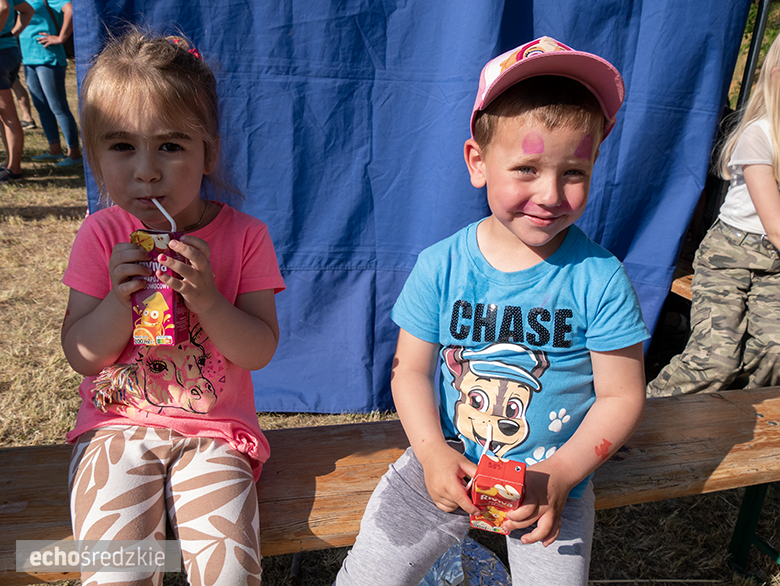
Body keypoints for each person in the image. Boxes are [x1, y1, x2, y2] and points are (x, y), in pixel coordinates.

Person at [334, 37, 648, 586]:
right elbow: (409, 369)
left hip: (551, 478)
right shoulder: (440, 266)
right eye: (526, 168)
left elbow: (622, 395)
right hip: (448, 457)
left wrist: (561, 474)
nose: (550, 194)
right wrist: (430, 452)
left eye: (573, 172)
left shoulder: (600, 279)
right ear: (478, 163)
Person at [61, 28, 285, 584]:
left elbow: (258, 350)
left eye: (170, 145)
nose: (147, 171)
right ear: (94, 156)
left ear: (207, 150)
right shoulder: (100, 234)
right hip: (116, 428)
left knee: (229, 572)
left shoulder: (246, 236)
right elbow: (83, 355)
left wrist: (208, 300)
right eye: (121, 146)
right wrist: (119, 303)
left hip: (215, 432)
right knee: (118, 573)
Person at [647, 33, 780, 397]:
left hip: (775, 267)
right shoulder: (761, 135)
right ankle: (642, 416)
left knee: (775, 349)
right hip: (731, 257)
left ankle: (732, 417)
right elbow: (776, 227)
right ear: (775, 76)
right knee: (714, 361)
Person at [18, 0, 80, 166]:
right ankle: (55, 150)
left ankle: (74, 154)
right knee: (42, 108)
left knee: (58, 107)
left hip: (48, 58)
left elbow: (70, 10)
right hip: (28, 58)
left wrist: (61, 37)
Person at [0, 0, 32, 182]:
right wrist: (12, 34)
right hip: (9, 49)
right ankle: (10, 163)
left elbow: (3, 7)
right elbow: (28, 11)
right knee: (4, 116)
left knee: (8, 115)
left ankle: (14, 169)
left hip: (3, 53)